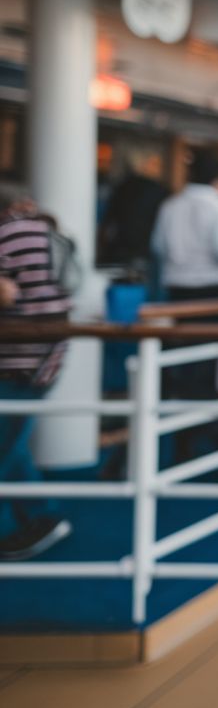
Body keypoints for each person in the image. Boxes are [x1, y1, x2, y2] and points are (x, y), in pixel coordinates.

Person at [0, 184, 75, 560]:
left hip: (18, 359)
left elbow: (6, 293)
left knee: (6, 443)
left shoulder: (8, 234)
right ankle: (38, 520)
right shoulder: (45, 232)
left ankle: (37, 519)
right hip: (48, 354)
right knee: (10, 441)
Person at [150, 149, 218, 401]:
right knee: (209, 362)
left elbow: (157, 246)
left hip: (177, 291)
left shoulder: (170, 206)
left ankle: (180, 427)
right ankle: (203, 424)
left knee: (181, 358)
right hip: (214, 293)